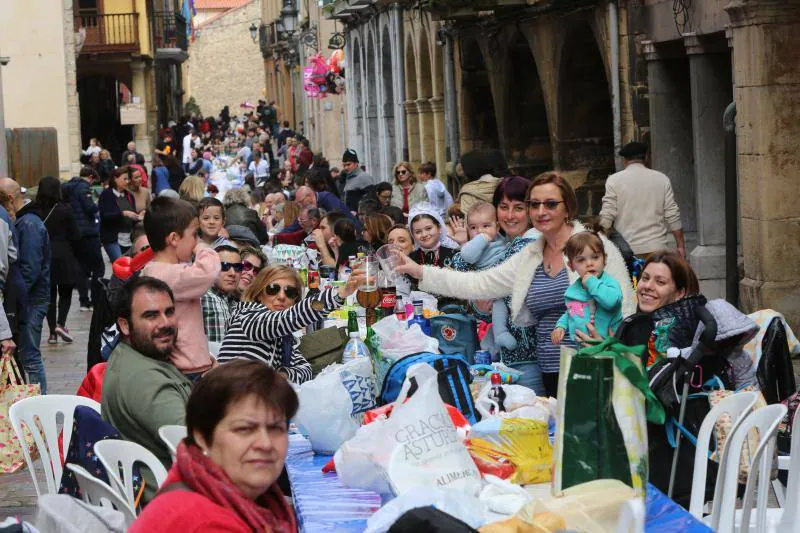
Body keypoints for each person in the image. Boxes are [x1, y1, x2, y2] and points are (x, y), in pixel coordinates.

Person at [395, 173, 636, 397]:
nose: (541, 211)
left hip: (596, 361)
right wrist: (419, 271)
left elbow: (626, 306)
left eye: (551, 204)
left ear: (568, 209)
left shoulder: (595, 246)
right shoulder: (532, 252)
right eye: (534, 204)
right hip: (550, 367)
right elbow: (481, 283)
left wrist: (610, 343)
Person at [129, 360, 298, 532]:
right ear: (202, 437)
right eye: (244, 429)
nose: (265, 444)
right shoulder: (204, 522)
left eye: (276, 428)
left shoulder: (243, 496)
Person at [102, 276, 192, 500]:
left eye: (169, 312)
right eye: (151, 316)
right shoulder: (147, 380)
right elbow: (197, 447)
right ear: (124, 325)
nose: (165, 323)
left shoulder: (130, 354)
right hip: (175, 500)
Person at [217, 265, 365, 384]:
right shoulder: (247, 315)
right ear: (259, 293)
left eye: (290, 292)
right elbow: (283, 320)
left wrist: (283, 375)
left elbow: (305, 369)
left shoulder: (285, 336)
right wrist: (340, 293)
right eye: (273, 289)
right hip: (228, 402)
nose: (281, 297)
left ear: (295, 301)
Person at [142, 197, 221, 378]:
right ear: (174, 239)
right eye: (194, 234)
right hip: (186, 370)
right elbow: (208, 271)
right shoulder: (166, 274)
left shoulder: (159, 270)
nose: (196, 241)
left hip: (192, 364)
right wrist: (203, 247)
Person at [0, 178, 50, 393]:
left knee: (29, 356)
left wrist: (15, 300)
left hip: (31, 299)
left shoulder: (28, 223)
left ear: (9, 199)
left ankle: (39, 401)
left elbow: (28, 267)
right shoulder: (24, 221)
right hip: (26, 298)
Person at [599, 141, 685, 258]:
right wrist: (680, 246)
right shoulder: (662, 179)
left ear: (625, 160)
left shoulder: (614, 181)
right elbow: (673, 214)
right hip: (657, 248)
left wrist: (600, 244)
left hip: (626, 249)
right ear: (646, 157)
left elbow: (607, 217)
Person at [551, 231, 624, 345]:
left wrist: (592, 283)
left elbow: (611, 301)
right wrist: (561, 326)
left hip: (609, 346)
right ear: (571, 266)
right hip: (582, 346)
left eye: (595, 257)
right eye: (581, 260)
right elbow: (573, 311)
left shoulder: (609, 283)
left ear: (604, 260)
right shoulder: (574, 290)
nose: (589, 263)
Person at [37, 177, 80, 345]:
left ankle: (52, 332)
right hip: (64, 254)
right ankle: (61, 324)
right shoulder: (65, 210)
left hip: (44, 255)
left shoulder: (35, 210)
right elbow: (76, 234)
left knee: (49, 295)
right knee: (66, 292)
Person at [62, 167, 105, 311]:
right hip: (88, 232)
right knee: (99, 267)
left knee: (81, 268)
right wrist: (97, 204)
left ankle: (83, 301)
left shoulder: (68, 188)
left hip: (75, 233)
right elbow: (90, 208)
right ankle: (95, 299)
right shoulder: (83, 188)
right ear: (91, 177)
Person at [201, 245, 242, 352]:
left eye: (237, 267)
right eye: (224, 266)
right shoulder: (200, 297)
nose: (232, 273)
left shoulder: (237, 304)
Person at [98, 167, 140, 262]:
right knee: (120, 264)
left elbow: (132, 213)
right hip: (112, 238)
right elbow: (105, 216)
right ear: (115, 179)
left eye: (128, 179)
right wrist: (123, 213)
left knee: (129, 267)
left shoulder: (129, 195)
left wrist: (138, 215)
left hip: (128, 237)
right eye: (124, 179)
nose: (128, 181)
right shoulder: (106, 195)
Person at [408, 203, 459, 268]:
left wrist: (463, 243)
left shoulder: (453, 254)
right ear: (413, 234)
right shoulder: (410, 259)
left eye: (428, 228)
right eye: (418, 232)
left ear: (439, 228)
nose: (424, 234)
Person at [455, 150, 503, 215]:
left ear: (468, 169)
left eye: (464, 168)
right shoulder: (504, 184)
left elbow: (468, 221)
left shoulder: (467, 192)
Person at [341, 149, 378, 213]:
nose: (346, 168)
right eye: (344, 165)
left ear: (356, 163)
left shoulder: (364, 176)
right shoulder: (347, 178)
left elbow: (372, 199)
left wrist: (358, 213)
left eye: (348, 164)